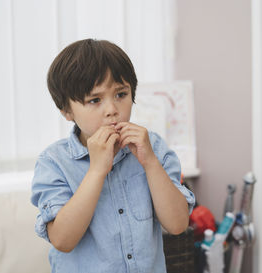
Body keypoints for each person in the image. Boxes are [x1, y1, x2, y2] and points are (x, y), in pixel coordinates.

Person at [30, 38, 195, 273]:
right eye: (95, 100)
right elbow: (63, 240)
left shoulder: (153, 148)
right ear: (67, 111)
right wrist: (96, 170)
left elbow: (178, 225)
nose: (112, 110)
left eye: (121, 94)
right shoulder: (54, 162)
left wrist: (150, 163)